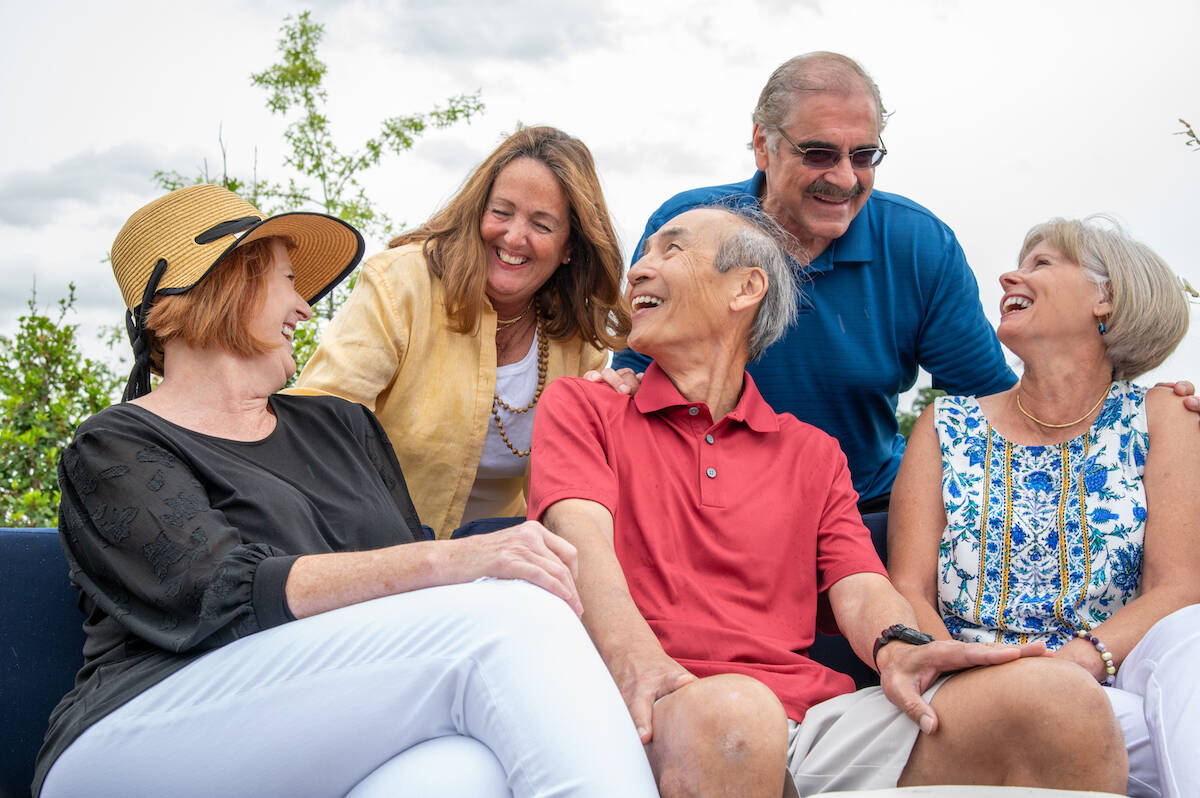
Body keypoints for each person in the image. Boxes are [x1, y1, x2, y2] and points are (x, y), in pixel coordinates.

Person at [35, 184, 658, 798]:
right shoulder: (112, 445)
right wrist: (453, 560)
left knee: (468, 769)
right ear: (227, 283)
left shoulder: (339, 426)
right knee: (511, 620)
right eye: (286, 279)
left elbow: (410, 588)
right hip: (140, 730)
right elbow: (219, 594)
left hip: (312, 724)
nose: (305, 308)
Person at [529, 205, 1128, 796]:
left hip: (808, 718)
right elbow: (581, 546)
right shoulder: (584, 407)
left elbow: (860, 585)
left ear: (745, 288)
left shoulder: (813, 453)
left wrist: (901, 648)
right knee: (738, 715)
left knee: (1063, 702)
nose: (638, 270)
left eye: (672, 250)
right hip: (656, 702)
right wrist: (639, 665)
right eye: (645, 254)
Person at [606, 51, 1199, 511]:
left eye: (864, 156)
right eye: (819, 153)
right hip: (693, 505)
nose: (845, 178)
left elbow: (992, 400)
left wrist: (1147, 409)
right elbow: (633, 374)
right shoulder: (684, 229)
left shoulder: (918, 247)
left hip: (859, 510)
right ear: (762, 144)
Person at [888, 216, 1200, 798]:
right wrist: (961, 669)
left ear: (1106, 298)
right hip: (976, 687)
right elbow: (910, 588)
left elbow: (1179, 588)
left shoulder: (1163, 416)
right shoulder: (945, 425)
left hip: (1116, 676)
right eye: (1019, 262)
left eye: (1042, 264)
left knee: (1195, 636)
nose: (1010, 275)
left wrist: (1082, 661)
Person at [292, 125, 628, 537]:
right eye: (501, 212)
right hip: (373, 545)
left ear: (570, 247)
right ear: (477, 212)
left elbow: (585, 482)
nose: (514, 236)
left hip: (507, 558)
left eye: (542, 225)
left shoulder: (578, 335)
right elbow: (316, 428)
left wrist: (618, 414)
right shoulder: (401, 282)